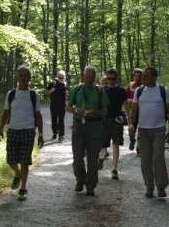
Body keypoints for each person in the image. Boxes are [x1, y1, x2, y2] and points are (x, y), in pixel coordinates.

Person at [0, 65, 45, 201]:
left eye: (25, 76)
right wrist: (0, 128)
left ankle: (23, 188)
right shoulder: (11, 94)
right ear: (17, 77)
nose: (23, 78)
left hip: (28, 131)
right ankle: (17, 174)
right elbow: (5, 113)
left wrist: (41, 135)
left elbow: (38, 115)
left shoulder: (34, 95)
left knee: (24, 161)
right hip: (12, 130)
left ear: (29, 78)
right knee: (11, 160)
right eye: (21, 75)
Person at [128, 66, 169, 198]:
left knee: (158, 157)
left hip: (159, 129)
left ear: (154, 77)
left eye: (145, 76)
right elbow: (133, 110)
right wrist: (131, 123)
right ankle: (149, 186)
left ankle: (161, 187)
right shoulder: (139, 91)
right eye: (142, 76)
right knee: (145, 160)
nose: (142, 78)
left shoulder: (163, 91)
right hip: (143, 130)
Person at [67, 66, 109, 196]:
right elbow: (68, 107)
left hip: (94, 126)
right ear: (83, 76)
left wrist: (96, 112)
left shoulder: (100, 91)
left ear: (95, 77)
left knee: (92, 157)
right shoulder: (76, 89)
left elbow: (105, 111)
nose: (90, 79)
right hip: (78, 126)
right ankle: (80, 180)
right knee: (78, 156)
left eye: (92, 77)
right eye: (88, 76)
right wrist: (76, 110)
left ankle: (91, 185)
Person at [98, 68, 128, 179]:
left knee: (116, 144)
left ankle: (115, 169)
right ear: (106, 78)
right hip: (104, 121)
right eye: (109, 78)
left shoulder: (121, 91)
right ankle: (101, 158)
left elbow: (127, 106)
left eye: (113, 78)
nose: (111, 81)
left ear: (117, 78)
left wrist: (130, 122)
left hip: (117, 121)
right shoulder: (102, 90)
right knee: (103, 145)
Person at [44, 70, 68, 142]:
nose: (61, 79)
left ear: (64, 78)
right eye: (60, 77)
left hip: (62, 105)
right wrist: (51, 91)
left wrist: (67, 93)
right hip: (54, 105)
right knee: (54, 120)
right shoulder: (53, 83)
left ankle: (61, 136)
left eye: (63, 78)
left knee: (61, 120)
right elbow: (45, 91)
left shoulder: (65, 84)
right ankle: (55, 133)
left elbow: (66, 93)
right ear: (57, 77)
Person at [125, 68, 143, 151]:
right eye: (136, 76)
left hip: (142, 110)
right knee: (131, 127)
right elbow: (126, 98)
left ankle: (139, 147)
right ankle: (132, 140)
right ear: (133, 76)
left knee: (141, 129)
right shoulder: (130, 86)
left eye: (139, 76)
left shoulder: (144, 86)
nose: (137, 78)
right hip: (132, 110)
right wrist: (127, 109)